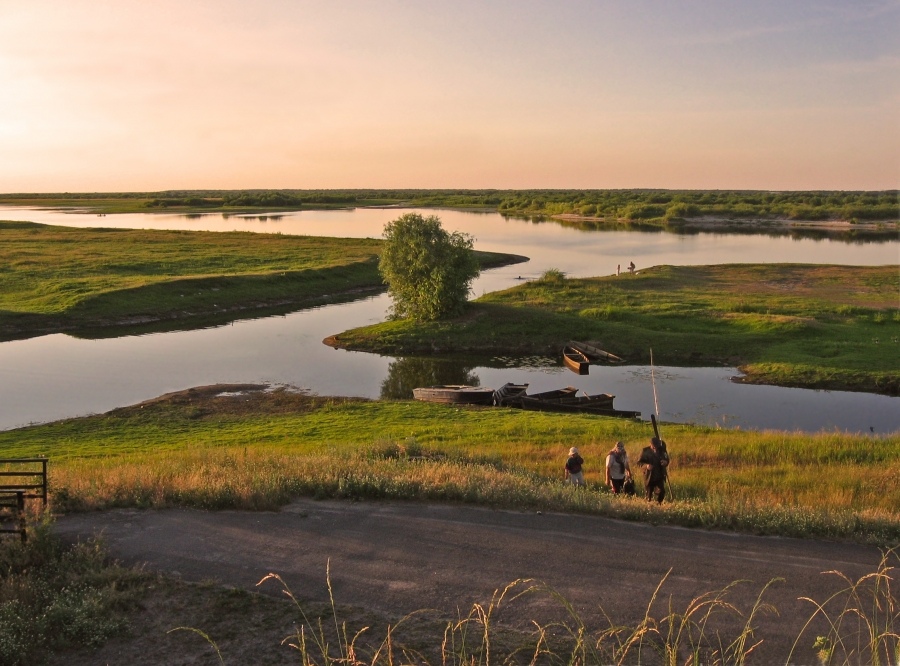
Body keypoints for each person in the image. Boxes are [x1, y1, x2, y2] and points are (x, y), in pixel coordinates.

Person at [637, 437, 669, 503]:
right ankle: (648, 507)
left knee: (662, 492)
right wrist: (646, 466)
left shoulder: (662, 450)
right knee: (649, 496)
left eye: (657, 446)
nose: (656, 448)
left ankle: (659, 504)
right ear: (651, 444)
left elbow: (667, 459)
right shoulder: (645, 451)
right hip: (649, 477)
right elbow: (639, 463)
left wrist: (665, 462)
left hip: (659, 476)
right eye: (654, 446)